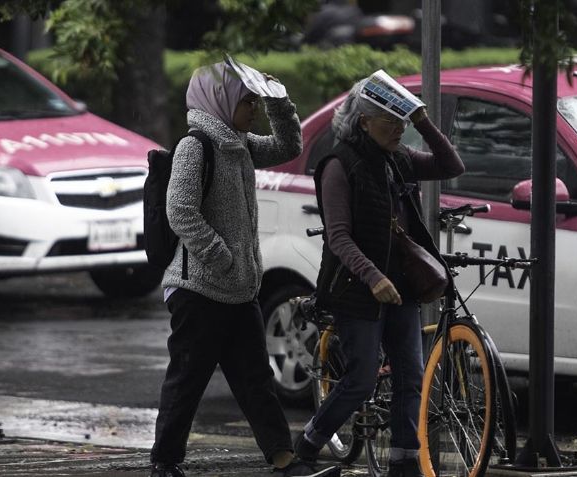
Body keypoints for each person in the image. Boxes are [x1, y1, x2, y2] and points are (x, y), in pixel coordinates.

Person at [149, 62, 340, 477]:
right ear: (221, 101)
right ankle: (165, 463)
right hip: (199, 291)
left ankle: (283, 459)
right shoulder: (195, 146)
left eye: (254, 100)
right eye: (247, 100)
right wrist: (221, 256)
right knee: (187, 381)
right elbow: (179, 211)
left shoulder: (238, 143)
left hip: (238, 290)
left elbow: (290, 147)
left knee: (256, 381)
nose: (252, 108)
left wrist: (279, 101)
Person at [301, 77, 465, 477]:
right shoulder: (338, 166)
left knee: (411, 375)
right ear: (362, 123)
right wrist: (374, 277)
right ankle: (308, 442)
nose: (398, 128)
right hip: (358, 289)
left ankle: (404, 462)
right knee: (359, 379)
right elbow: (339, 237)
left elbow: (451, 165)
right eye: (389, 120)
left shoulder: (399, 157)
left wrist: (423, 121)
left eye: (401, 120)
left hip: (402, 287)